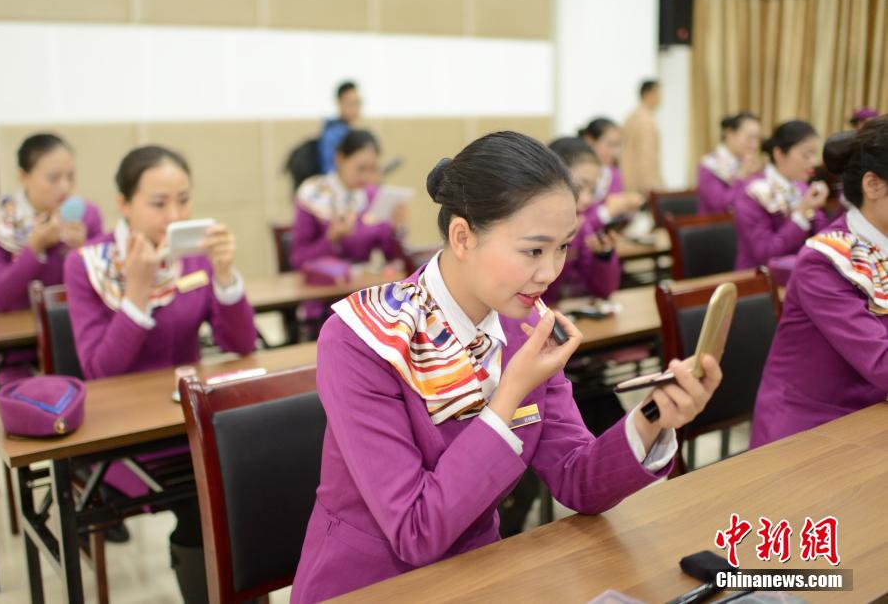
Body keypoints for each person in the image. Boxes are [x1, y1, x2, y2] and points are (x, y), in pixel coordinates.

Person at [290, 131, 723, 602]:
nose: (550, 272)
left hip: (484, 576)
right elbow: (416, 531)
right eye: (534, 250)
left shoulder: (524, 326)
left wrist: (654, 415)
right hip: (369, 586)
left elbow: (577, 479)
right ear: (462, 236)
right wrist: (509, 394)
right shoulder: (365, 338)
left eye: (563, 248)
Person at [64, 145, 257, 603]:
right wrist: (136, 291)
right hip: (127, 436)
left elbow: (240, 345)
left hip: (190, 420)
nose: (175, 215)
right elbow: (100, 370)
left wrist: (226, 274)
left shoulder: (194, 256)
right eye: (158, 203)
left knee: (257, 482)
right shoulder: (87, 266)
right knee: (206, 500)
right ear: (124, 204)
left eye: (184, 200)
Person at [750, 116, 888, 447]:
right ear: (873, 185)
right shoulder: (826, 261)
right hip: (808, 434)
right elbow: (882, 362)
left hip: (868, 418)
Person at [0, 133, 103, 383]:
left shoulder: (86, 216)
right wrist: (34, 248)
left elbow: (105, 290)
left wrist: (81, 251)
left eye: (71, 176)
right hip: (20, 353)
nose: (65, 187)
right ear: (23, 176)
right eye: (53, 178)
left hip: (79, 338)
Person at [291, 129, 406, 269]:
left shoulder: (371, 196)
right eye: (361, 169)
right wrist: (331, 238)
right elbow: (299, 260)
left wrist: (396, 229)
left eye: (372, 169)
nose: (366, 177)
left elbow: (392, 257)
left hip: (360, 287)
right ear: (339, 159)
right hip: (324, 288)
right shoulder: (313, 194)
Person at [734, 120, 829, 269]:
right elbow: (766, 253)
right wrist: (802, 213)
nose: (813, 161)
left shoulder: (801, 187)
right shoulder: (753, 193)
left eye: (814, 154)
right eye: (806, 155)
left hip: (798, 272)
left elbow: (822, 238)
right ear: (779, 154)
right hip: (759, 281)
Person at [543, 137, 621, 304]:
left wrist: (603, 256)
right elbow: (541, 291)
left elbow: (604, 290)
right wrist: (561, 249)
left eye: (592, 190)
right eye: (580, 186)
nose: (587, 199)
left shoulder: (582, 221)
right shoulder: (532, 227)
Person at [578, 118, 644, 227]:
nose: (616, 152)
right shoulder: (578, 175)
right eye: (611, 144)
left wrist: (628, 208)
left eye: (618, 145)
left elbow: (617, 223)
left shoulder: (613, 174)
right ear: (589, 141)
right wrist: (608, 211)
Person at [697, 112, 763, 214]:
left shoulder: (748, 163)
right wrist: (742, 176)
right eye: (750, 138)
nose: (755, 145)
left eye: (757, 138)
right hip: (718, 226)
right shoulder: (710, 166)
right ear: (730, 135)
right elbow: (721, 207)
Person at [621, 79, 663, 194]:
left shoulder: (631, 117)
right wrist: (651, 187)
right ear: (647, 94)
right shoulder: (645, 121)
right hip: (643, 185)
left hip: (629, 182)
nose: (661, 98)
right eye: (658, 93)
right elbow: (646, 156)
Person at [318, 80, 362, 174]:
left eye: (358, 103)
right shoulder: (332, 135)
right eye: (351, 103)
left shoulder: (351, 132)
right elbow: (329, 170)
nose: (356, 108)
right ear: (340, 103)